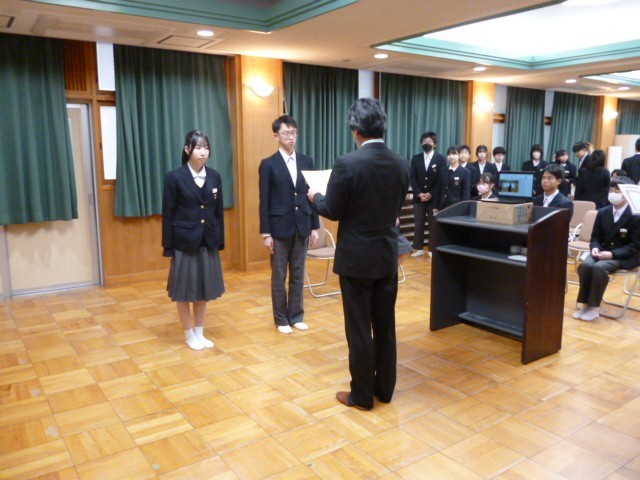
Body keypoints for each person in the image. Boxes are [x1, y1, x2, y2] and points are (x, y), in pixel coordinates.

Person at [307, 98, 409, 411]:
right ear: (382, 125)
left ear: (356, 129)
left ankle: (361, 396)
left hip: (356, 260)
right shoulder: (400, 163)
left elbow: (332, 210)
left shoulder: (347, 163)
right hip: (386, 256)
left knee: (359, 328)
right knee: (385, 325)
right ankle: (385, 389)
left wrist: (315, 196)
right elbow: (394, 209)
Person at [162, 130, 225, 350]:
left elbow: (218, 212)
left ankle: (200, 332)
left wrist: (220, 240)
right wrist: (168, 247)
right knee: (183, 291)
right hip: (184, 242)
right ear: (187, 149)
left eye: (206, 147)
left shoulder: (215, 176)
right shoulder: (174, 177)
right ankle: (189, 334)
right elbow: (168, 214)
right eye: (198, 147)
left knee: (203, 290)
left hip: (208, 240)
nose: (203, 152)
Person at [259, 115, 319, 335]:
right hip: (278, 228)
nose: (291, 137)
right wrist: (266, 233)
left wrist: (314, 226)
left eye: (294, 133)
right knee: (279, 275)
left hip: (302, 224)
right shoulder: (268, 164)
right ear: (276, 136)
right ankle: (281, 318)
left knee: (298, 273)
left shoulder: (307, 161)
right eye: (286, 133)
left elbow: (311, 195)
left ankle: (296, 315)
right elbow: (264, 200)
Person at [573, 176, 640, 321]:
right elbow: (595, 238)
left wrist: (612, 254)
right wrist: (595, 248)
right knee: (585, 265)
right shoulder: (603, 212)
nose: (613, 194)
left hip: (625, 256)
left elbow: (635, 246)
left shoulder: (636, 216)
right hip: (603, 252)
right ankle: (585, 304)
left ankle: (594, 308)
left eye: (617, 191)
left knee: (599, 267)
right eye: (611, 190)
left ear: (626, 194)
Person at [409, 131, 446, 257]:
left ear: (434, 144)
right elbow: (412, 178)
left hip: (434, 199)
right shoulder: (416, 158)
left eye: (429, 142)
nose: (426, 144)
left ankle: (431, 249)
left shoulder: (441, 159)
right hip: (418, 198)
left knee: (433, 224)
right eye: (424, 142)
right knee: (418, 224)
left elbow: (441, 180)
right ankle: (418, 248)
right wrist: (419, 193)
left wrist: (431, 193)